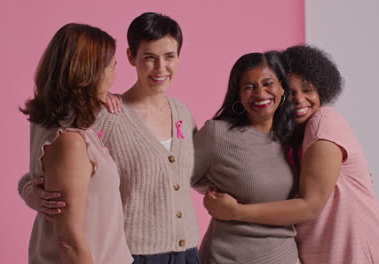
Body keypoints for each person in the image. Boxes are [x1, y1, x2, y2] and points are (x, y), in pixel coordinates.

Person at [18, 13, 200, 263]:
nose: (161, 68)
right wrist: (31, 191)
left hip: (187, 252)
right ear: (131, 57)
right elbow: (50, 166)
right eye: (149, 57)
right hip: (131, 253)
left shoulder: (183, 114)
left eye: (170, 56)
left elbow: (202, 174)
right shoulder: (102, 116)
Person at [203, 45, 379, 264]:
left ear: (322, 89)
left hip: (353, 252)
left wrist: (236, 212)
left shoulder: (323, 123)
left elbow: (311, 205)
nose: (299, 99)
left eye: (308, 89)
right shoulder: (284, 136)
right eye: (290, 91)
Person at [19, 23, 132, 263]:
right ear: (89, 74)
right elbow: (69, 241)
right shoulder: (70, 141)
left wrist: (27, 190)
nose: (115, 76)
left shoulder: (53, 122)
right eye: (112, 68)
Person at [191, 52, 300, 264]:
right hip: (228, 258)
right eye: (249, 87)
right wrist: (217, 187)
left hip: (285, 257)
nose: (260, 93)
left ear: (282, 87)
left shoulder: (293, 136)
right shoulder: (218, 133)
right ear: (238, 95)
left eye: (268, 83)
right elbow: (177, 179)